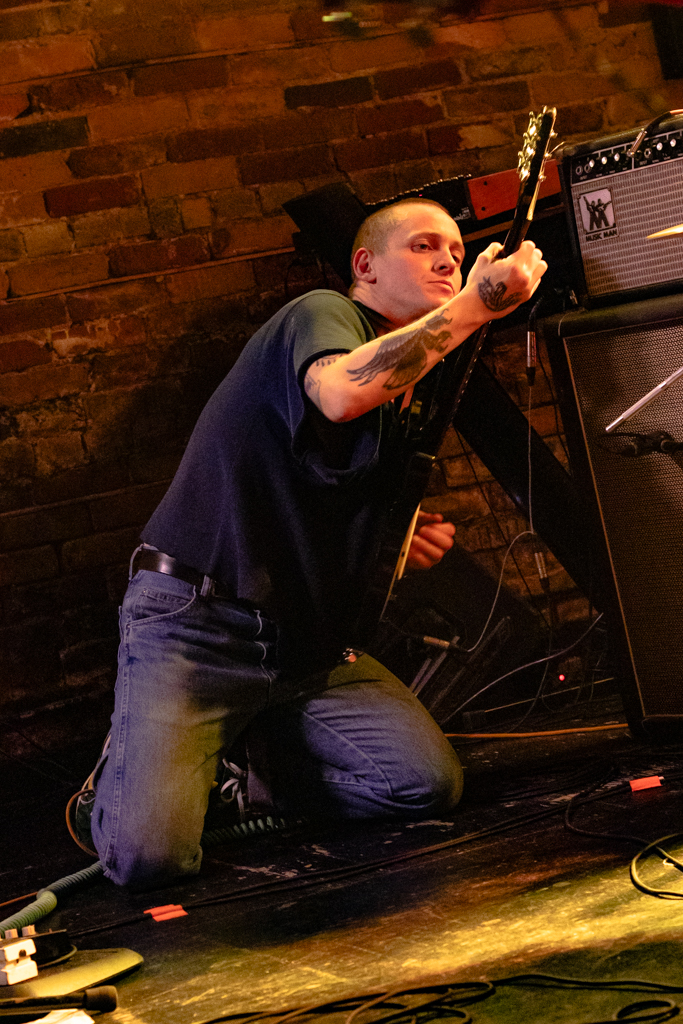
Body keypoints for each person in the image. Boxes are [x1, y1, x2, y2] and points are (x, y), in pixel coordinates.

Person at [71, 198, 546, 889]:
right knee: (150, 860)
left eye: (455, 250)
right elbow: (339, 393)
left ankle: (244, 767)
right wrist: (477, 304)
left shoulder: (413, 386)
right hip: (197, 627)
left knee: (421, 784)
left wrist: (393, 544)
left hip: (303, 646)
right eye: (423, 245)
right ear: (365, 266)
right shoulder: (322, 315)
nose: (448, 260)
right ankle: (122, 779)